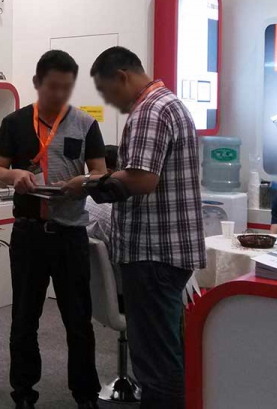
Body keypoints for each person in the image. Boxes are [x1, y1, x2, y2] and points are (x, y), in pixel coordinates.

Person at [65, 46, 205, 409]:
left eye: (107, 92)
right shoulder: (169, 103)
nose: (110, 102)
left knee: (155, 361)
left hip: (152, 252)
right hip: (166, 251)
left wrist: (88, 183)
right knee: (166, 350)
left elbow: (142, 180)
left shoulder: (149, 110)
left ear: (122, 77)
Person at [0, 50, 106, 409]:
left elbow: (100, 173)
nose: (59, 94)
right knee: (24, 318)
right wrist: (14, 175)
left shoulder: (85, 124)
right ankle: (24, 393)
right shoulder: (14, 123)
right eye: (53, 86)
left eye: (67, 87)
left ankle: (85, 394)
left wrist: (81, 182)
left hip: (70, 234)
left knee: (78, 320)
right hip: (28, 234)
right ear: (37, 82)